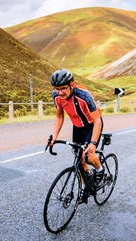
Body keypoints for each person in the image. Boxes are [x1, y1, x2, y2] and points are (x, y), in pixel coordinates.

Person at [48, 69, 103, 203]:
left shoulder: (84, 96)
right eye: (57, 89)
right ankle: (85, 185)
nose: (60, 92)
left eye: (63, 88)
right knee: (78, 159)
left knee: (89, 156)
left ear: (72, 84)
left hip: (91, 125)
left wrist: (93, 143)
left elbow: (97, 121)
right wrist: (54, 136)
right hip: (77, 127)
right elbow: (59, 116)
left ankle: (100, 170)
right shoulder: (56, 96)